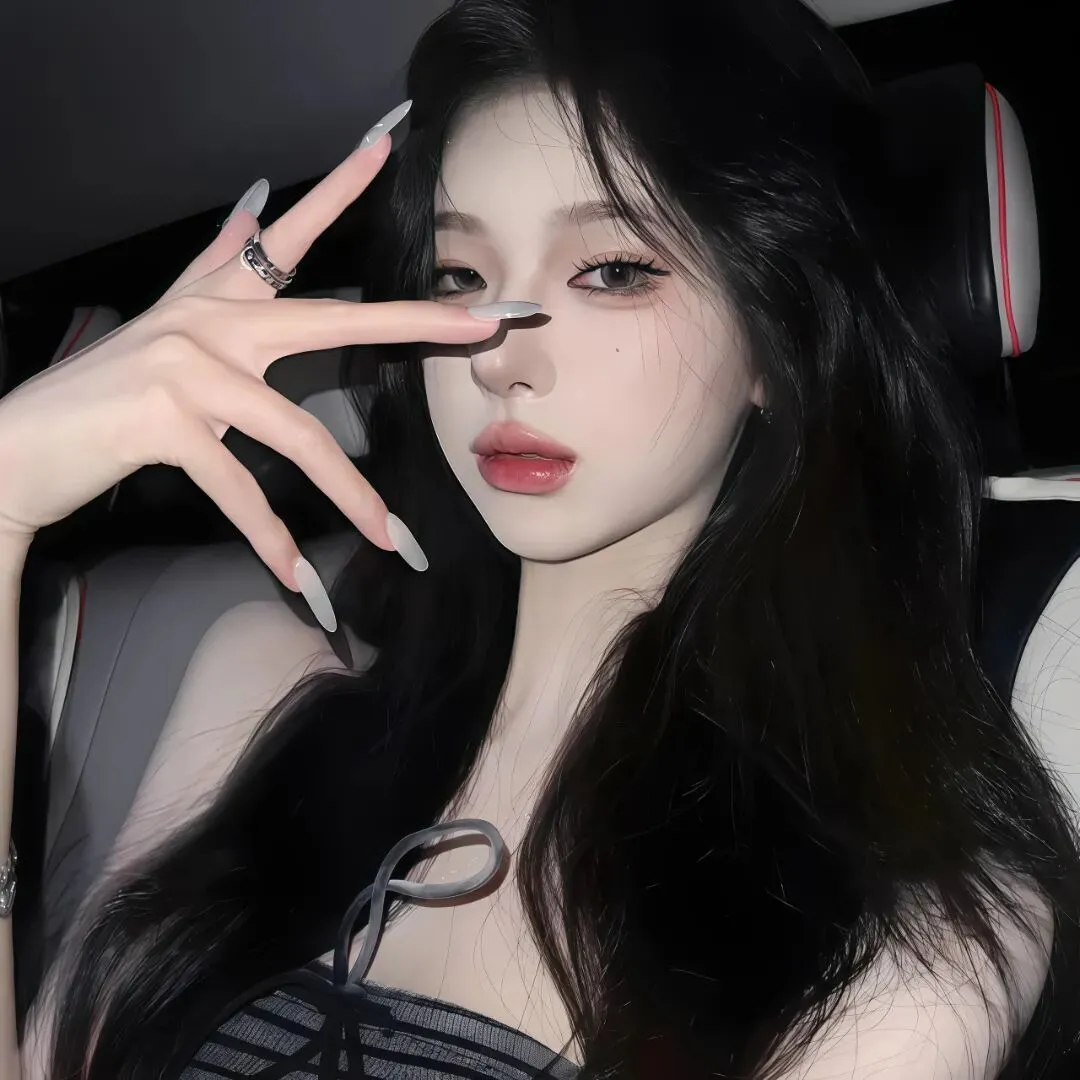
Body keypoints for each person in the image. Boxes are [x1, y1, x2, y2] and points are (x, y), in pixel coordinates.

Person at [3, 0, 1078, 1075]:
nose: (498, 357)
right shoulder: (251, 684)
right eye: (459, 277)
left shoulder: (920, 924)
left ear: (775, 336)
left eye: (612, 269)